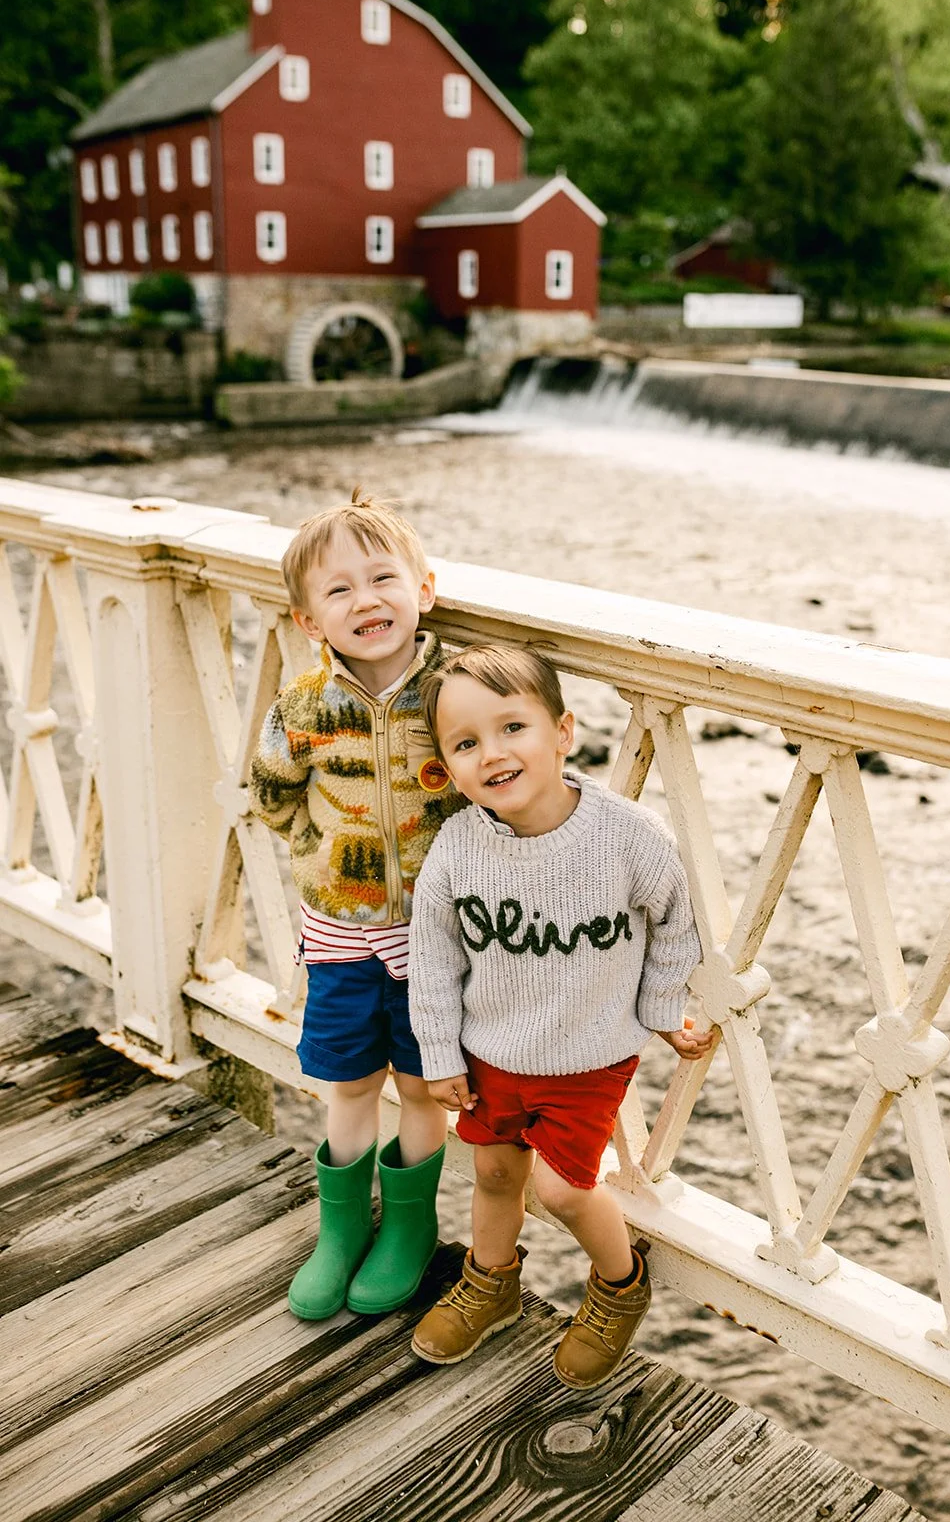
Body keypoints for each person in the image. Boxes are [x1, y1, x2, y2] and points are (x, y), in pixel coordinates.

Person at [407, 645, 709, 1388]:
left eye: (513, 727)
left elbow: (674, 921)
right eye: (466, 743)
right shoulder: (458, 845)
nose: (493, 754)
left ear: (564, 732)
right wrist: (440, 1054)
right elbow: (434, 957)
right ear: (446, 765)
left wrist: (662, 1007)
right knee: (492, 1168)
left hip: (588, 1054)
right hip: (491, 1051)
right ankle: (491, 1279)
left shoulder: (626, 835)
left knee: (564, 1189)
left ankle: (617, 1285)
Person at [248, 488, 463, 1321]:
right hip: (340, 932)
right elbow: (273, 797)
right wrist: (321, 854)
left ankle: (406, 1227)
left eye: (382, 578)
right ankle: (339, 1231)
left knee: (420, 1086)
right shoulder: (301, 710)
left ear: (425, 589)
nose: (365, 600)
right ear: (310, 622)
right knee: (347, 1084)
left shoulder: (450, 694)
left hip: (436, 942)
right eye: (338, 590)